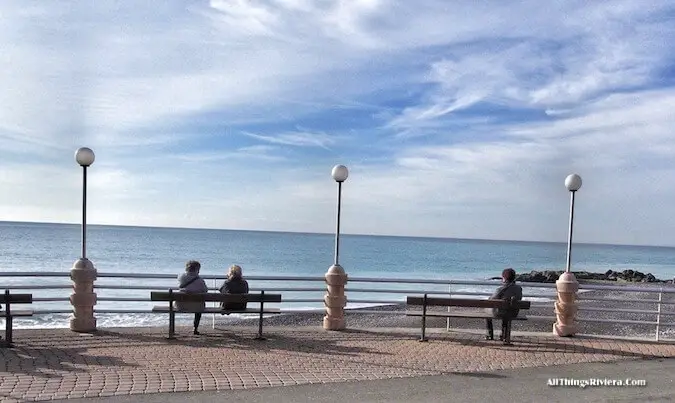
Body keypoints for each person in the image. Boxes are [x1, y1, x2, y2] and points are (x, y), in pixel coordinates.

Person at [485, 267, 523, 341]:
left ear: (504, 278)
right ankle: (503, 335)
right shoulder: (519, 288)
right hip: (514, 312)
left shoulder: (500, 289)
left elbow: (492, 299)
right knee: (507, 311)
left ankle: (489, 334)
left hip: (500, 313)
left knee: (487, 312)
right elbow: (519, 298)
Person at [177, 260, 208, 335]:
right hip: (197, 307)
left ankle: (172, 329)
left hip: (181, 306)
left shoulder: (181, 277)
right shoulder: (200, 281)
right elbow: (205, 290)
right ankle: (195, 328)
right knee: (199, 307)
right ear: (197, 270)